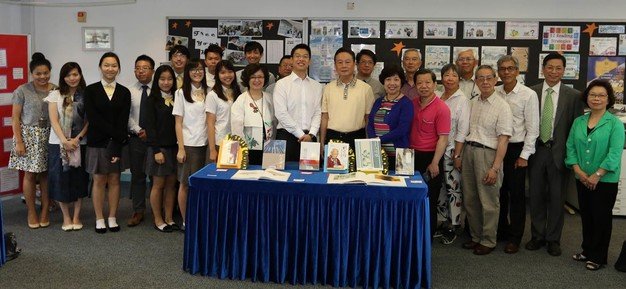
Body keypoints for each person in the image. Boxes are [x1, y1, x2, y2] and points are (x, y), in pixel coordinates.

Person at [527, 52, 583, 256]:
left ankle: (553, 239)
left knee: (557, 198)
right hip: (536, 151)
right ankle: (537, 235)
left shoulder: (574, 96)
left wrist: (573, 157)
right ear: (543, 69)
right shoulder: (531, 92)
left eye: (558, 68)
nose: (553, 72)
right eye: (550, 67)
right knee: (535, 196)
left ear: (564, 70)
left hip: (559, 154)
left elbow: (577, 129)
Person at [566, 79, 625, 270]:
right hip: (581, 177)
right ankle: (587, 250)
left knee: (601, 217)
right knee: (587, 216)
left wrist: (597, 175)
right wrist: (578, 171)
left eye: (601, 95)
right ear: (587, 97)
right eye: (593, 95)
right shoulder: (579, 121)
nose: (596, 99)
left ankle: (598, 256)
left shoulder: (614, 124)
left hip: (604, 180)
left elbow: (614, 153)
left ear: (608, 99)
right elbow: (570, 147)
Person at [461, 65, 512, 255]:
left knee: (489, 201)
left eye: (488, 78)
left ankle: (488, 240)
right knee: (471, 199)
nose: (484, 82)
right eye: (480, 78)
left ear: (495, 80)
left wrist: (495, 167)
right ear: (475, 81)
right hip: (469, 151)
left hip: (488, 154)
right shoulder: (472, 102)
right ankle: (475, 237)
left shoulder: (502, 106)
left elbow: (504, 139)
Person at [495, 55, 540, 253]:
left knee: (517, 196)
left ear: (517, 71)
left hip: (516, 150)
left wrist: (525, 155)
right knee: (499, 192)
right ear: (498, 71)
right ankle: (501, 231)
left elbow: (533, 128)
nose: (506, 72)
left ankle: (515, 237)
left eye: (510, 68)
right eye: (503, 69)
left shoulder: (528, 95)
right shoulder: (494, 92)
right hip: (496, 149)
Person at [84, 52, 131, 233]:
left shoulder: (124, 92)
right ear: (100, 67)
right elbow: (94, 118)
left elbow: (123, 119)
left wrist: (117, 144)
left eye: (114, 65)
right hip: (98, 142)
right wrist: (116, 137)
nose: (110, 68)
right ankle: (99, 218)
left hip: (117, 143)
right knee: (98, 179)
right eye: (106, 65)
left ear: (118, 69)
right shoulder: (91, 90)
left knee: (114, 179)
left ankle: (112, 216)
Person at [9, 53, 55, 229]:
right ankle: (31, 211)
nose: (42, 76)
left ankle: (44, 210)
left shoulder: (56, 89)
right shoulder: (22, 90)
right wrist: (19, 142)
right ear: (32, 73)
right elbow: (15, 118)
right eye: (38, 73)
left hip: (50, 135)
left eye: (45, 73)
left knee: (45, 175)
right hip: (28, 136)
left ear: (50, 72)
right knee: (30, 175)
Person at [45, 62, 89, 231]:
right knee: (61, 180)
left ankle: (77, 216)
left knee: (79, 180)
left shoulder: (86, 95)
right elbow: (53, 120)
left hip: (80, 143)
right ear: (63, 77)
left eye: (76, 74)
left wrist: (77, 138)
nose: (72, 78)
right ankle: (66, 217)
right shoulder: (55, 95)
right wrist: (64, 140)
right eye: (69, 75)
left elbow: (89, 121)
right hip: (58, 144)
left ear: (80, 75)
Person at [409, 69, 451, 241]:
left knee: (429, 199)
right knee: (411, 197)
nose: (424, 86)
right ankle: (412, 233)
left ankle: (427, 235)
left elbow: (443, 138)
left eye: (428, 82)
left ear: (435, 84)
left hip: (430, 158)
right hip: (410, 156)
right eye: (420, 83)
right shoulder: (412, 104)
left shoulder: (442, 108)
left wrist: (435, 162)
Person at [173, 59, 210, 231]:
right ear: (187, 73)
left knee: (202, 184)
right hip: (189, 144)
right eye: (193, 70)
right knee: (186, 184)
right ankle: (186, 220)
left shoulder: (209, 91)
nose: (197, 72)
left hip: (207, 144)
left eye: (200, 69)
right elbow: (178, 123)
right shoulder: (181, 93)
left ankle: (200, 217)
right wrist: (181, 148)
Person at [436, 64, 470, 245]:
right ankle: (442, 222)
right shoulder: (438, 95)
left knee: (453, 188)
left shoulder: (462, 99)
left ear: (459, 79)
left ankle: (454, 225)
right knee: (441, 187)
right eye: (446, 75)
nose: (449, 78)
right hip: (437, 149)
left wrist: (457, 155)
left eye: (453, 75)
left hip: (450, 151)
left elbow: (463, 130)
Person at [273, 44, 323, 162]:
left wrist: (311, 134)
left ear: (309, 61)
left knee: (311, 176)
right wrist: (300, 134)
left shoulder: (317, 86)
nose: (301, 59)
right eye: (297, 56)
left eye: (305, 56)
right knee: (282, 176)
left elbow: (318, 112)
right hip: (287, 137)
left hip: (310, 137)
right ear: (292, 59)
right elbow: (281, 113)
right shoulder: (282, 84)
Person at [144, 65, 178, 233]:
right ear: (157, 81)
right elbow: (150, 127)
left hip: (174, 148)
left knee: (171, 185)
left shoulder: (178, 97)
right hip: (159, 149)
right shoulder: (152, 100)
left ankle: (169, 218)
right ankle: (158, 219)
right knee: (158, 184)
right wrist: (156, 150)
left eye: (169, 79)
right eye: (162, 79)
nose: (166, 82)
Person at [320, 48, 375, 149]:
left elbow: (368, 119)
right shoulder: (328, 88)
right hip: (333, 138)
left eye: (347, 62)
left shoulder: (366, 88)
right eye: (340, 62)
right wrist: (322, 142)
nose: (344, 66)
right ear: (335, 65)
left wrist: (368, 143)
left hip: (357, 138)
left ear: (354, 64)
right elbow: (324, 117)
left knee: (355, 165)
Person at [366, 64, 413, 169]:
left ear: (401, 82)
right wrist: (374, 141)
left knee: (402, 184)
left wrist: (378, 140)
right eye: (388, 79)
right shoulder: (378, 101)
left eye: (396, 79)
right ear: (383, 82)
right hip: (377, 154)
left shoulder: (406, 103)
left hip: (400, 154)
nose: (392, 83)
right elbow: (370, 124)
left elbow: (402, 129)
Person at [126, 54, 155, 227]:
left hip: (155, 140)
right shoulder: (129, 91)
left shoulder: (160, 91)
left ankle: (156, 210)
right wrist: (138, 130)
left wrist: (150, 133)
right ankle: (138, 210)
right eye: (138, 68)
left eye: (145, 68)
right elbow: (126, 115)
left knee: (156, 177)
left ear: (152, 70)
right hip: (136, 139)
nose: (141, 71)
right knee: (137, 176)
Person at [230, 63, 274, 165]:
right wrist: (243, 152)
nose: (257, 80)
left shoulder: (269, 98)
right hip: (249, 149)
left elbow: (274, 123)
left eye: (260, 77)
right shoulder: (241, 100)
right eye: (253, 77)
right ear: (247, 79)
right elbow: (236, 128)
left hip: (269, 147)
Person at [207, 60, 242, 163]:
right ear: (217, 75)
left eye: (230, 72)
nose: (227, 75)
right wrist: (212, 149)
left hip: (237, 141)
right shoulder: (212, 95)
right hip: (220, 142)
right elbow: (210, 123)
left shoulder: (238, 92)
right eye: (222, 72)